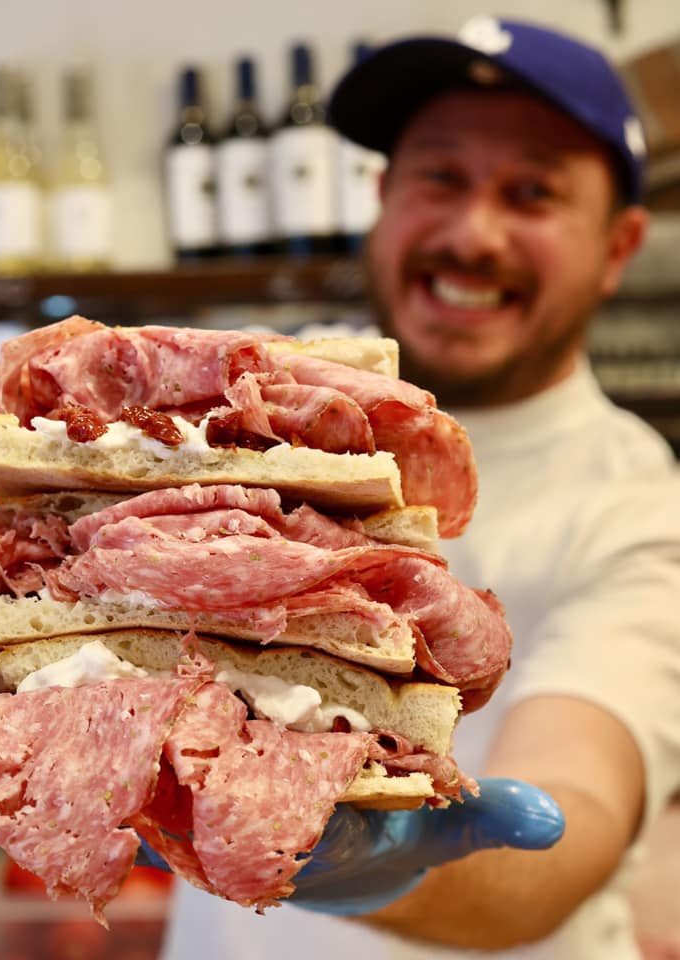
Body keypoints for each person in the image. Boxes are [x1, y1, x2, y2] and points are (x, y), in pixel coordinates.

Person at [158, 15, 680, 959]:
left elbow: (581, 804)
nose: (472, 233)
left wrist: (376, 866)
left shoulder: (640, 505)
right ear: (384, 196)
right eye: (440, 176)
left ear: (617, 247)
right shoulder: (251, 411)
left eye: (533, 192)